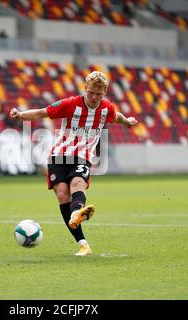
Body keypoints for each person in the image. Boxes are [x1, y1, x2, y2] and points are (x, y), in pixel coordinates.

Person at [10, 71, 138, 256]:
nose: (94, 97)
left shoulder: (106, 109)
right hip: (59, 155)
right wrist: (20, 115)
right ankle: (83, 244)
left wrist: (127, 122)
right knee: (63, 195)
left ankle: (77, 213)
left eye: (99, 94)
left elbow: (116, 116)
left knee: (77, 183)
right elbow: (42, 112)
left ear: (104, 93)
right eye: (91, 93)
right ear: (85, 89)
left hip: (83, 155)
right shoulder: (70, 104)